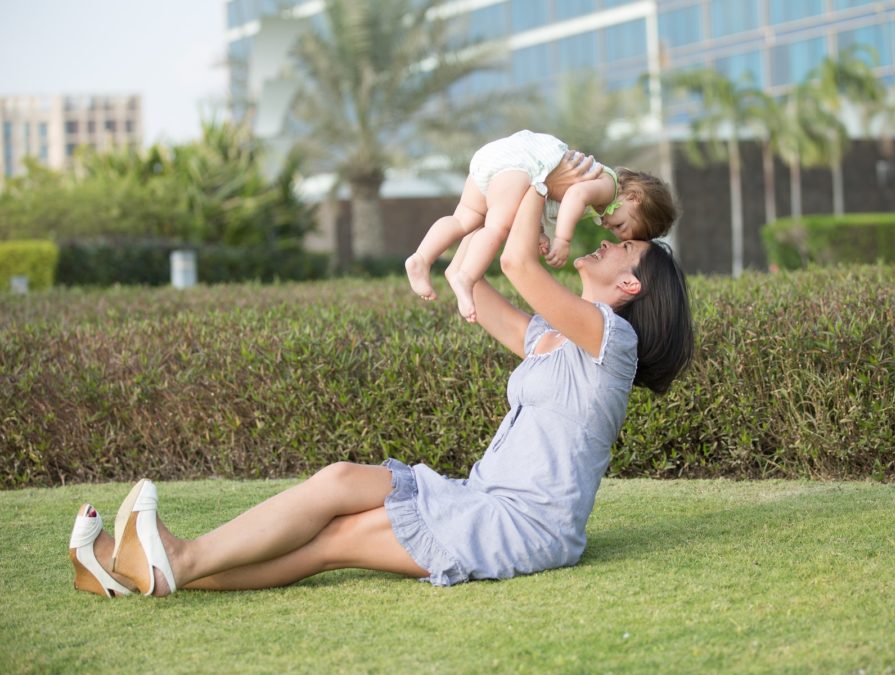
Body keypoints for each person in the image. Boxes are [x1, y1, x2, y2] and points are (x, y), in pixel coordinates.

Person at [66, 153, 694, 596]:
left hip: (523, 526)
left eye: (625, 248)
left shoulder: (613, 340)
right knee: (340, 482)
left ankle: (170, 562)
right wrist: (480, 217)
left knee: (340, 539)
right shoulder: (555, 338)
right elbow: (479, 284)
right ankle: (131, 569)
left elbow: (520, 263)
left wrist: (537, 168)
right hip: (477, 495)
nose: (610, 240)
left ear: (630, 284)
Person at [405, 129, 677, 322]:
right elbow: (573, 194)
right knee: (497, 227)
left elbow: (543, 198)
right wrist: (562, 240)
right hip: (523, 163)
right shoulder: (608, 187)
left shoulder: (601, 196)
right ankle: (466, 277)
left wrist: (539, 232)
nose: (611, 230)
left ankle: (421, 258)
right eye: (621, 227)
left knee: (464, 218)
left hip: (500, 159)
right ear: (634, 198)